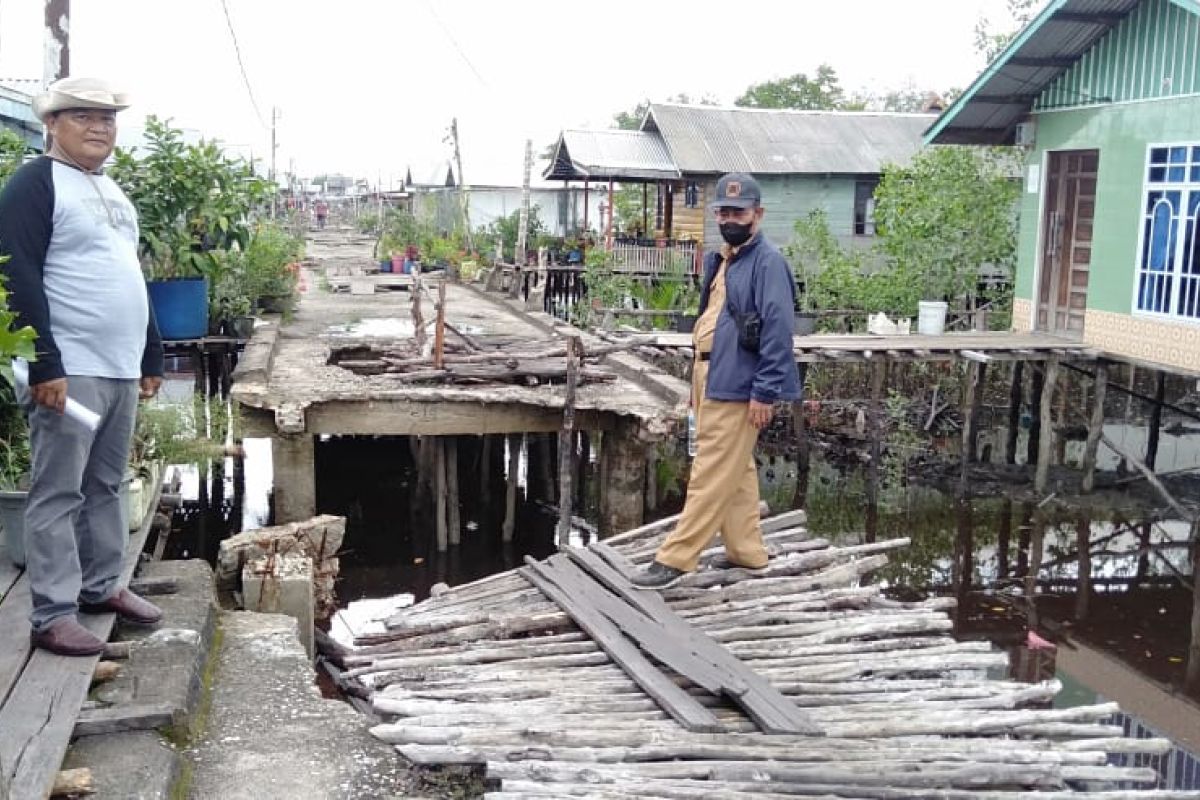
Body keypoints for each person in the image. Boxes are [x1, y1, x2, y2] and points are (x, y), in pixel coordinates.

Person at [0, 77, 166, 656]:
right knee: (58, 490)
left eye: (108, 118)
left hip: (118, 368)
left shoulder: (112, 191)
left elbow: (130, 276)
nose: (99, 127)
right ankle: (52, 613)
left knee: (106, 484)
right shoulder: (34, 184)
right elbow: (15, 272)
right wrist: (44, 362)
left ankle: (101, 588)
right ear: (51, 123)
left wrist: (150, 350)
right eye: (83, 117)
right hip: (69, 368)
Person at [631, 172, 800, 589]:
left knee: (709, 469)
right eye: (722, 211)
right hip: (710, 372)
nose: (729, 218)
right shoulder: (723, 259)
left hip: (740, 382)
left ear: (757, 215)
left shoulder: (767, 262)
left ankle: (676, 558)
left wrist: (765, 390)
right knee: (735, 467)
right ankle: (746, 552)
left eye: (737, 212)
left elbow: (778, 331)